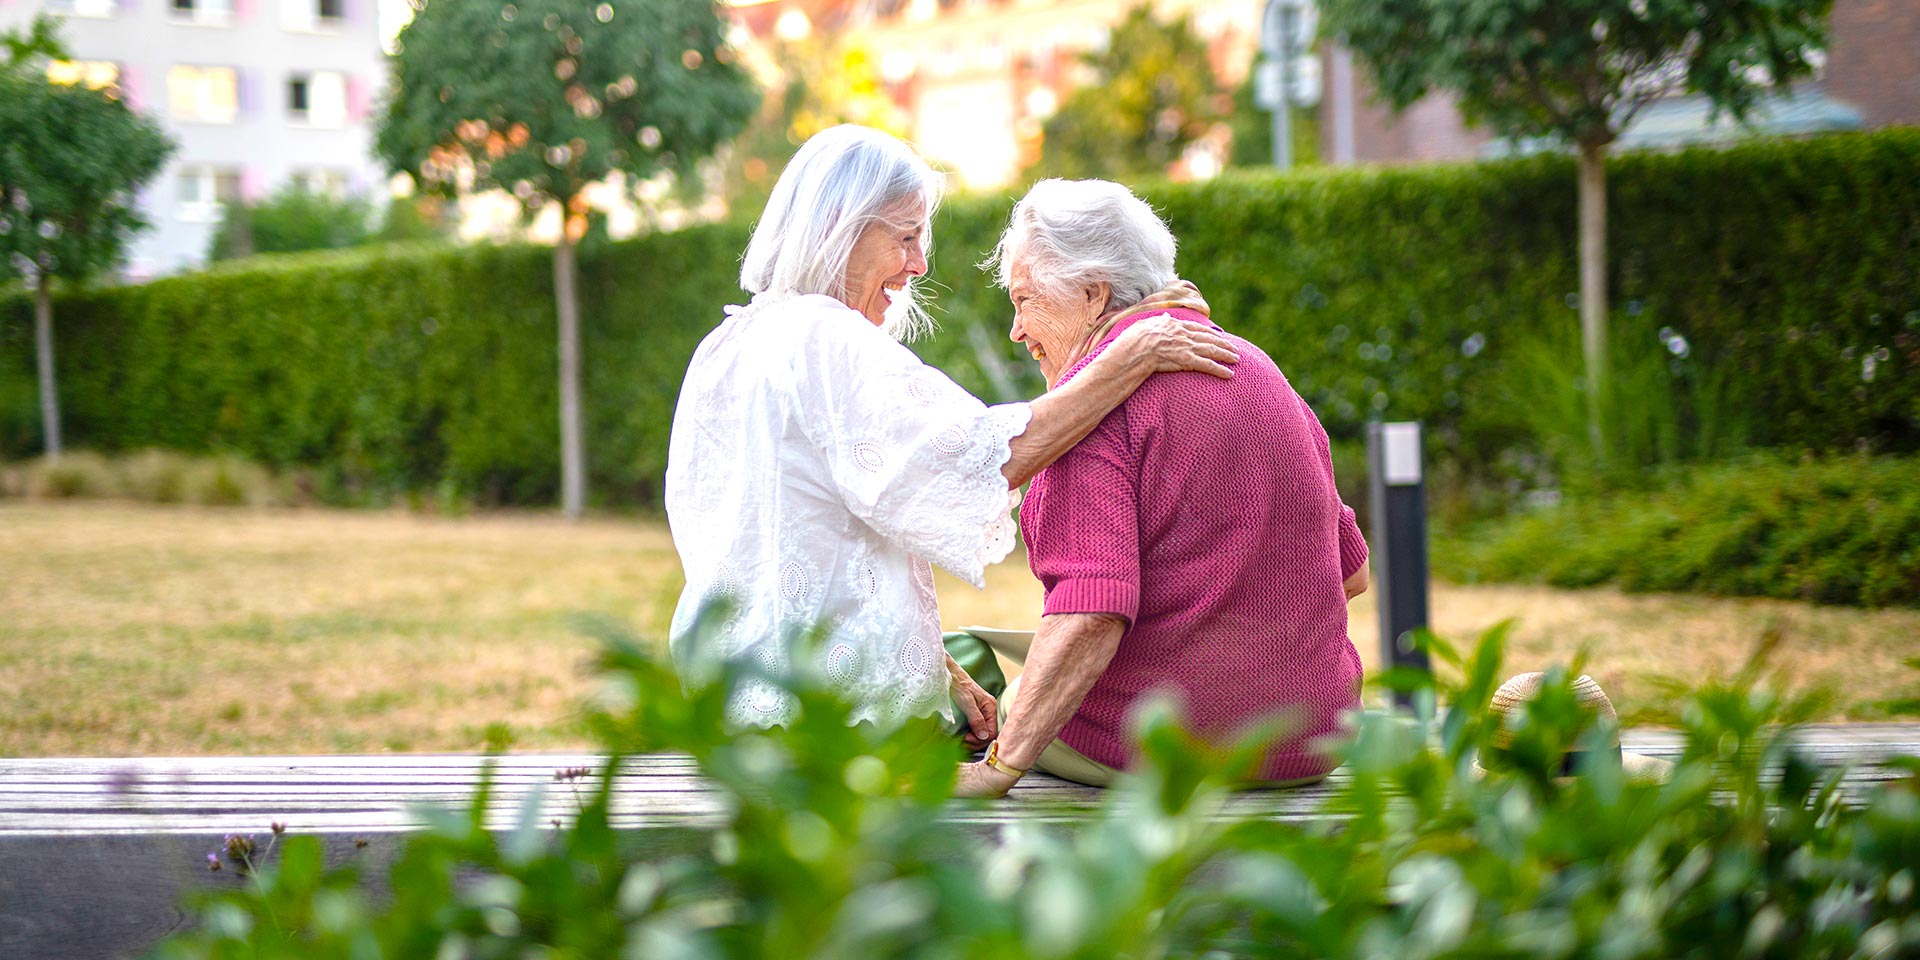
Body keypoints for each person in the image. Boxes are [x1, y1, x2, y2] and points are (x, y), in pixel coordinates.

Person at [663, 126, 1240, 742]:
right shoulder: (826, 340)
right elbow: (984, 456)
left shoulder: (727, 345)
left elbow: (780, 550)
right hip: (829, 724)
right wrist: (1131, 354)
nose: (919, 263)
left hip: (732, 709)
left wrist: (939, 671)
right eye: (906, 237)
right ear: (841, 224)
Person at [955, 179, 1370, 798]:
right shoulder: (1261, 370)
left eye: (1024, 300)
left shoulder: (1092, 409)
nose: (1017, 330)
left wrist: (999, 768)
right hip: (1313, 740)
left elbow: (1093, 612)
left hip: (1168, 749)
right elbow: (1350, 576)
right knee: (1010, 652)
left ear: (1092, 294)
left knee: (964, 659)